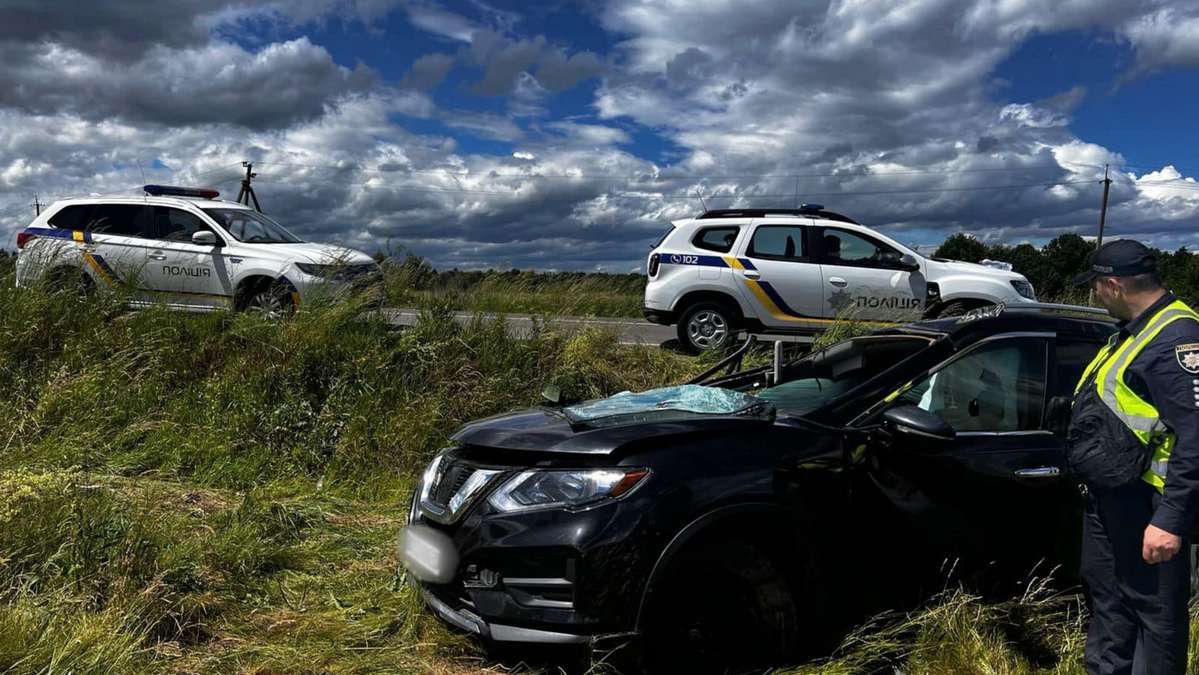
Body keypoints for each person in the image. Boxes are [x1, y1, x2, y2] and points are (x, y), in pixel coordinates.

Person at [1068, 239, 1199, 675]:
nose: (1095, 296)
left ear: (1114, 285)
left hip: (1150, 505)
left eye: (1096, 287)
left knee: (1155, 617)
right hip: (1113, 499)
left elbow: (1195, 437)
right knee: (1109, 601)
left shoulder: (1177, 338)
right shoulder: (1134, 330)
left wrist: (1169, 521)